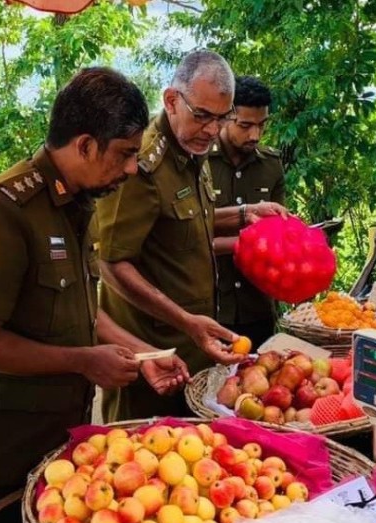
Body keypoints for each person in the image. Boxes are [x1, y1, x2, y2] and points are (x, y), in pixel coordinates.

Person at [0, 67, 190, 523]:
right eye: (126, 154)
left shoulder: (77, 204)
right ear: (86, 145)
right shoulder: (1, 210)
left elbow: (78, 311)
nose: (132, 169)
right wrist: (83, 362)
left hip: (54, 454)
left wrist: (141, 353)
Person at [94, 51, 287, 422]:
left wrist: (246, 214)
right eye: (202, 116)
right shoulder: (141, 164)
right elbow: (112, 263)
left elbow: (186, 222)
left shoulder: (192, 148)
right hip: (151, 359)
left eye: (222, 118)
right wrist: (184, 320)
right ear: (171, 101)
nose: (213, 130)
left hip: (196, 350)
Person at [210, 76, 286, 348]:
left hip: (258, 307)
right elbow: (184, 237)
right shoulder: (199, 164)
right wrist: (241, 243)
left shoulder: (271, 165)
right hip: (210, 308)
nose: (255, 135)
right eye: (245, 125)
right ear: (223, 118)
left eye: (261, 125)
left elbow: (277, 230)